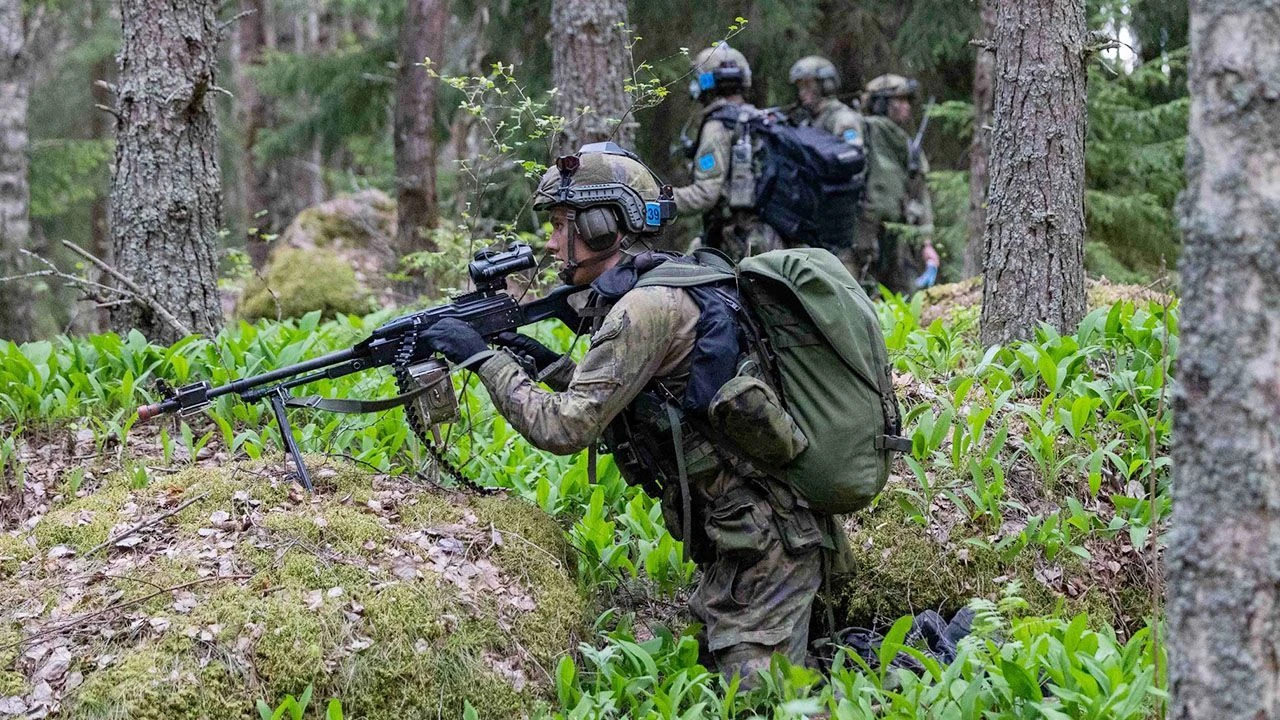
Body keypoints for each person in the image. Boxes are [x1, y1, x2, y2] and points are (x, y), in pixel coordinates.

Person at [420, 143, 849, 688]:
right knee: (705, 671)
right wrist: (538, 358)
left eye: (559, 224)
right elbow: (636, 398)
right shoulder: (663, 282)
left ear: (603, 227)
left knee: (760, 695)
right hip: (742, 538)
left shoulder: (644, 309)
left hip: (772, 544)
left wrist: (483, 359)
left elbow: (564, 428)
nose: (551, 243)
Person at [672, 43, 781, 261]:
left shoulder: (718, 127)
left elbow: (705, 194)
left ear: (705, 82)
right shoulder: (758, 119)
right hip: (770, 239)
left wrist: (656, 200)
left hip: (736, 244)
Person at [785, 55, 872, 278]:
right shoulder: (807, 122)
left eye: (808, 85)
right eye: (800, 86)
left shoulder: (843, 119)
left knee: (846, 281)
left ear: (826, 85)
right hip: (818, 217)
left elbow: (854, 165)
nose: (803, 92)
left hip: (844, 220)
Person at [860, 74, 940, 296]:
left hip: (899, 240)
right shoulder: (864, 132)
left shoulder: (907, 146)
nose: (906, 107)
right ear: (881, 103)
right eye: (898, 100)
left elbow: (919, 194)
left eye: (907, 100)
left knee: (905, 299)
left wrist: (926, 244)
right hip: (864, 236)